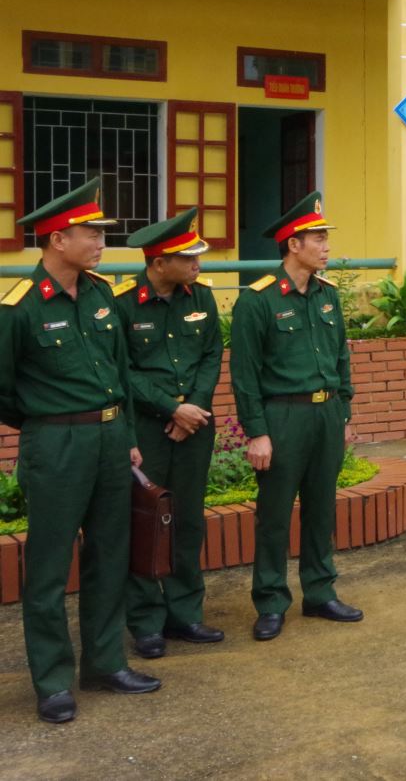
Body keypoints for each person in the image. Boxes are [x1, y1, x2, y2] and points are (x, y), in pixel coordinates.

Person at [0, 177, 160, 724]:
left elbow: (121, 372)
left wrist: (130, 437)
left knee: (110, 555)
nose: (100, 242)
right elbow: (4, 390)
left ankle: (105, 662)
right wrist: (50, 422)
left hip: (112, 438)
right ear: (56, 239)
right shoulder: (18, 307)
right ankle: (51, 682)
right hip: (56, 442)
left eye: (99, 232)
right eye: (90, 232)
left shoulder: (99, 294)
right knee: (47, 567)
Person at [230, 192, 361, 640]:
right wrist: (257, 433)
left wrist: (344, 410)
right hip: (283, 417)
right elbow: (244, 374)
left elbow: (341, 355)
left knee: (322, 509)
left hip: (326, 416)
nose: (326, 246)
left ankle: (320, 592)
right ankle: (270, 600)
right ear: (292, 245)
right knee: (274, 515)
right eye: (318, 238)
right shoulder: (259, 301)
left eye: (325, 237)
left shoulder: (327, 296)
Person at [117, 207, 225, 659]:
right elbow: (123, 371)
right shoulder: (123, 304)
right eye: (187, 257)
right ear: (159, 263)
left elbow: (211, 353)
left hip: (193, 425)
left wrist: (192, 411)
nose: (197, 263)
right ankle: (145, 621)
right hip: (147, 427)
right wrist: (171, 408)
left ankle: (185, 613)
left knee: (188, 520)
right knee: (145, 521)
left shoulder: (201, 297)